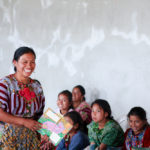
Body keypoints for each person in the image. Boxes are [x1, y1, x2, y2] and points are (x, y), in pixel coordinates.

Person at [0, 46, 45, 149]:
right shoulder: (5, 84)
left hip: (31, 137)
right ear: (15, 62)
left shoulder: (36, 86)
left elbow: (39, 115)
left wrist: (46, 131)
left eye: (32, 62)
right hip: (9, 136)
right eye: (24, 62)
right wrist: (24, 122)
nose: (29, 65)